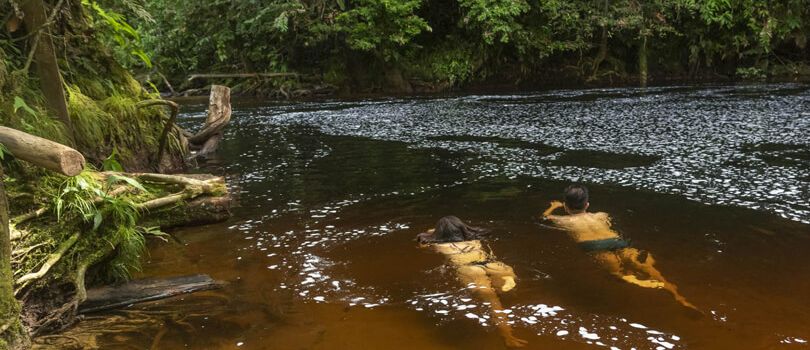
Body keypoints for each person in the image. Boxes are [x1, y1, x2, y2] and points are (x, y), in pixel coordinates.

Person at [541, 184, 700, 312]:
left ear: (566, 206)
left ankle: (633, 280)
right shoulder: (601, 215)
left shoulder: (563, 221)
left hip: (595, 247)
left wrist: (554, 206)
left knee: (617, 273)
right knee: (650, 269)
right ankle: (677, 295)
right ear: (587, 204)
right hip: (619, 242)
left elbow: (544, 217)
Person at [417, 216, 527, 348]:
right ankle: (506, 283)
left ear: (439, 232)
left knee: (493, 303)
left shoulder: (438, 245)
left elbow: (423, 241)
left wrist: (436, 232)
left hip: (470, 269)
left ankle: (508, 336)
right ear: (463, 228)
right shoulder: (474, 239)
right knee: (507, 280)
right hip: (493, 264)